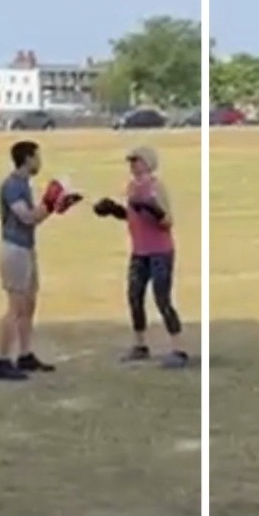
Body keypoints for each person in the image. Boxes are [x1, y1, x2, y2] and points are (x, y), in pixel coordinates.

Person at [0, 140, 81, 381]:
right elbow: (26, 217)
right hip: (14, 250)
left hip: (27, 248)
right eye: (37, 157)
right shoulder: (12, 186)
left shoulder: (23, 184)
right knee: (15, 306)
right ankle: (1, 361)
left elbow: (36, 218)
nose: (40, 162)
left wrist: (56, 206)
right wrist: (50, 202)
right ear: (28, 158)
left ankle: (25, 354)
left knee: (29, 303)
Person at [94, 146, 188, 366]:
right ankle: (140, 345)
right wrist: (112, 210)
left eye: (137, 161)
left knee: (162, 298)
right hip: (139, 251)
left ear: (148, 163)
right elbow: (131, 216)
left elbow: (167, 221)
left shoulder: (156, 187)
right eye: (131, 162)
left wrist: (152, 209)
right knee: (134, 297)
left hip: (160, 251)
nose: (133, 165)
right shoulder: (132, 187)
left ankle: (179, 349)